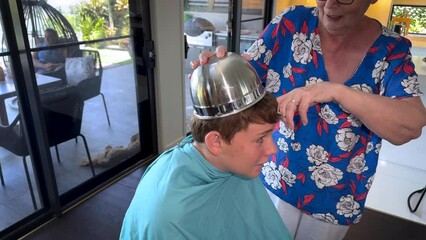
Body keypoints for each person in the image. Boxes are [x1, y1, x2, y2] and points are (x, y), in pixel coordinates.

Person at [192, 1, 426, 240]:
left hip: (334, 198)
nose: (330, 3)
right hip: (272, 178)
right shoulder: (293, 23)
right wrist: (217, 69)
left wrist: (337, 92)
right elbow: (245, 76)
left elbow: (410, 125)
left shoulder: (391, 50)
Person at [120, 55, 292, 239]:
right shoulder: (169, 219)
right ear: (216, 142)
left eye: (270, 135)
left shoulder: (227, 161)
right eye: (260, 139)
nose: (272, 149)